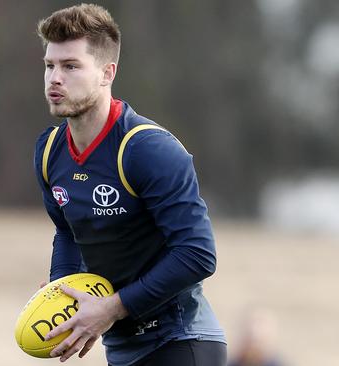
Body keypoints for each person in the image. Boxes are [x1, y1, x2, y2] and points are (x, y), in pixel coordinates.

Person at [33, 4, 226, 366]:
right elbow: (69, 233)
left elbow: (197, 254)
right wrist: (64, 293)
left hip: (180, 342)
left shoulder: (147, 149)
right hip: (122, 350)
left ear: (107, 73)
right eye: (50, 65)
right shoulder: (49, 153)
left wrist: (111, 308)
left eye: (71, 66)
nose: (55, 78)